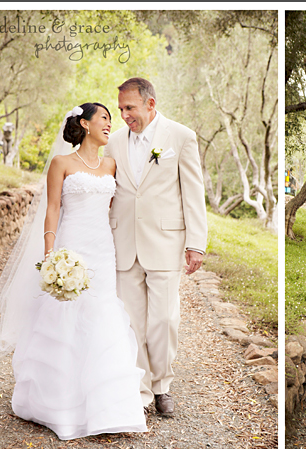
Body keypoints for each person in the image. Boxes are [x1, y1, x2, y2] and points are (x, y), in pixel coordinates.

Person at [0, 103, 147, 440]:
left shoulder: (111, 165)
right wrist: (51, 255)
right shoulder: (61, 164)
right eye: (104, 118)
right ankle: (58, 404)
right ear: (85, 124)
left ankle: (109, 406)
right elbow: (53, 210)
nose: (110, 124)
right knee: (64, 316)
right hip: (70, 247)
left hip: (102, 251)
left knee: (103, 316)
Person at [104, 77, 208, 416]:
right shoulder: (115, 142)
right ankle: (142, 389)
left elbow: (193, 192)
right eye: (120, 108)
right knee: (132, 322)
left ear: (150, 104)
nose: (123, 115)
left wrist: (196, 243)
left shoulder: (181, 137)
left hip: (165, 242)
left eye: (129, 108)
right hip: (124, 242)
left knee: (163, 320)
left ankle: (163, 384)